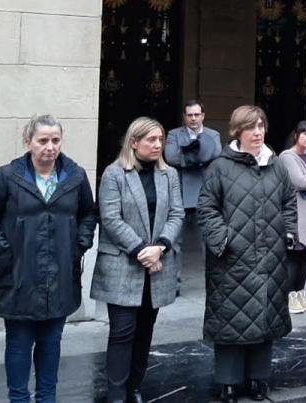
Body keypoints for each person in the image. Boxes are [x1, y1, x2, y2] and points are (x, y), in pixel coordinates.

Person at [0, 114, 97, 403]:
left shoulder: (75, 176)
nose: (50, 147)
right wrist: (3, 249)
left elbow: (88, 213)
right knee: (18, 344)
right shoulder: (8, 175)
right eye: (42, 140)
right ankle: (18, 398)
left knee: (51, 343)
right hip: (18, 274)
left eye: (55, 140)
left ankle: (47, 398)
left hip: (60, 275)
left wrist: (80, 244)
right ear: (28, 141)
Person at [196, 106, 296, 403]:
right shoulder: (220, 167)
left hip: (270, 259)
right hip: (231, 260)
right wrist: (223, 240)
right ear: (237, 131)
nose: (257, 132)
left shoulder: (276, 165)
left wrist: (288, 234)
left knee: (264, 322)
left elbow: (288, 201)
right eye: (251, 127)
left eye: (261, 126)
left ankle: (258, 379)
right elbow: (207, 208)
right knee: (231, 323)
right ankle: (228, 383)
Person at [91, 117, 184, 403]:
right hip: (123, 264)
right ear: (134, 143)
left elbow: (177, 214)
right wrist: (143, 250)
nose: (157, 145)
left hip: (158, 264)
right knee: (122, 331)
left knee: (145, 331)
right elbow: (110, 218)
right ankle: (117, 393)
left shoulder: (169, 175)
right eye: (151, 140)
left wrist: (161, 247)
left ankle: (135, 387)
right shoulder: (114, 173)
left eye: (160, 140)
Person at [279, 121, 306, 314]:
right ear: (296, 135)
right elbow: (299, 181)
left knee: (304, 256)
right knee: (293, 255)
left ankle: (301, 292)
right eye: (304, 133)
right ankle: (289, 295)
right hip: (295, 212)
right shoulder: (287, 157)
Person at [164, 100, 222, 211]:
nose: (193, 118)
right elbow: (171, 158)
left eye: (197, 115)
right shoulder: (174, 134)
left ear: (203, 116)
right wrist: (202, 156)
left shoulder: (213, 134)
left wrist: (186, 154)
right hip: (181, 190)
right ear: (184, 117)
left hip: (206, 187)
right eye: (190, 115)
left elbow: (216, 155)